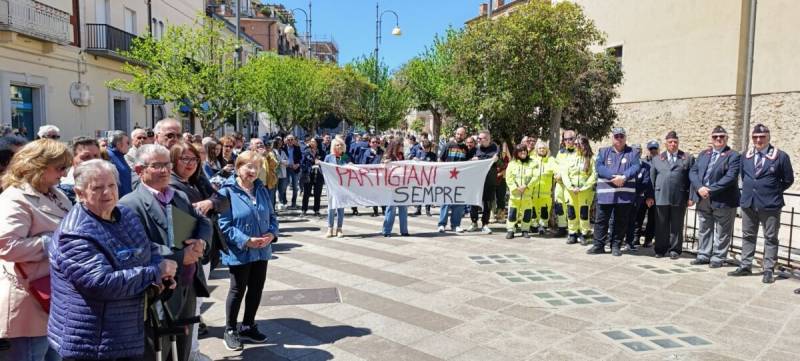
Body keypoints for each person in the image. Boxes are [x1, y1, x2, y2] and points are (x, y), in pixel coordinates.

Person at [47, 159, 177, 361]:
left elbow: (148, 248)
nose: (107, 193)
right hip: (94, 342)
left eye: (111, 185)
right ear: (80, 194)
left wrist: (163, 274)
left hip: (127, 332)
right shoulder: (74, 234)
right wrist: (155, 272)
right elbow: (101, 283)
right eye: (97, 188)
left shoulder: (124, 213)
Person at [119, 144, 210, 361]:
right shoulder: (129, 204)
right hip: (161, 289)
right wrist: (180, 256)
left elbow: (203, 221)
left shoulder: (179, 195)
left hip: (188, 284)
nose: (165, 170)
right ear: (140, 170)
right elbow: (137, 247)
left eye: (167, 164)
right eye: (157, 165)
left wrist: (201, 242)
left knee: (184, 347)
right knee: (159, 350)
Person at [0, 139, 71, 361]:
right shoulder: (15, 197)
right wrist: (52, 243)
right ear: (38, 166)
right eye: (60, 168)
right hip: (29, 302)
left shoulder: (56, 195)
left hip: (53, 300)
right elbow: (7, 245)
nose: (64, 174)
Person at [168, 142, 228, 361]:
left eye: (194, 159)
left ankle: (192, 352)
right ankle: (190, 354)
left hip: (204, 252)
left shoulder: (197, 180)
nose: (190, 164)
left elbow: (222, 201)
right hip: (187, 254)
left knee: (197, 306)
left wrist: (209, 203)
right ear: (173, 160)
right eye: (184, 159)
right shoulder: (173, 186)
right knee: (189, 309)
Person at [217, 151, 278, 351]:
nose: (252, 171)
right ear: (238, 166)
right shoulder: (227, 191)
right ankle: (230, 329)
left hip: (262, 250)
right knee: (237, 289)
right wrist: (246, 240)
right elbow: (224, 225)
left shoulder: (261, 189)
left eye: (256, 167)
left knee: (256, 288)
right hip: (239, 251)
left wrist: (271, 235)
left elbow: (272, 216)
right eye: (248, 166)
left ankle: (248, 325)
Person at [730, 124, 794, 283]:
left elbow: (788, 180)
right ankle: (745, 265)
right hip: (748, 202)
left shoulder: (780, 156)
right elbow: (745, 177)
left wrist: (771, 190)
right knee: (748, 235)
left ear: (768, 137)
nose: (758, 140)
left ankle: (768, 270)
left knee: (770, 237)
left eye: (762, 137)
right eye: (755, 137)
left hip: (770, 203)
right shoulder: (746, 155)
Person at [688, 126, 740, 268]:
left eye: (721, 136)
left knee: (723, 230)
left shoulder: (733, 155)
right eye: (715, 136)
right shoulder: (704, 154)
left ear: (726, 138)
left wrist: (710, 190)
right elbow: (693, 172)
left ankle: (718, 257)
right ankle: (704, 255)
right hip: (703, 197)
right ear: (711, 138)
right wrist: (699, 187)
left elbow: (730, 177)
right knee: (704, 227)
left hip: (723, 199)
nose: (718, 139)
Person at [587, 127, 641, 256]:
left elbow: (636, 167)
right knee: (601, 220)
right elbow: (599, 167)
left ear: (625, 138)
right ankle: (598, 245)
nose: (619, 139)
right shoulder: (603, 151)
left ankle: (615, 246)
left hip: (624, 195)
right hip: (606, 194)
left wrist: (624, 177)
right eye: (616, 136)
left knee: (621, 221)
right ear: (612, 138)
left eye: (622, 136)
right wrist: (613, 177)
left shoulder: (633, 152)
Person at [650, 131, 694, 259]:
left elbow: (691, 179)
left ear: (678, 143)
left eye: (675, 142)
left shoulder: (687, 158)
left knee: (677, 225)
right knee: (661, 224)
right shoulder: (657, 159)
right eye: (670, 142)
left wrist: (691, 197)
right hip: (661, 196)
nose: (673, 144)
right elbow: (652, 179)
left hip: (679, 197)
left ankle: (675, 250)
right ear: (666, 143)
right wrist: (651, 196)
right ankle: (660, 249)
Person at [562, 135, 597, 245]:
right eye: (576, 144)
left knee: (583, 213)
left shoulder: (591, 159)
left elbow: (594, 175)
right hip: (571, 191)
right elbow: (564, 174)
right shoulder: (569, 157)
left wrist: (583, 187)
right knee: (571, 212)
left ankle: (584, 234)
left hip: (584, 191)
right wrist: (571, 187)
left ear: (585, 145)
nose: (577, 146)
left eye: (579, 144)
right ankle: (572, 234)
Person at [438, 127, 469, 233]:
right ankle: (442, 224)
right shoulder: (448, 145)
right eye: (458, 134)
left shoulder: (465, 148)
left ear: (465, 135)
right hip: (447, 179)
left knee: (459, 202)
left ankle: (456, 225)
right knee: (446, 201)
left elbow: (468, 163)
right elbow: (440, 160)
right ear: (455, 134)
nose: (459, 136)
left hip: (460, 180)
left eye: (462, 134)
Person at [468, 130, 498, 234]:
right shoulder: (475, 149)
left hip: (489, 180)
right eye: (478, 138)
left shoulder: (495, 148)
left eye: (480, 138)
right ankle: (474, 222)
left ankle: (485, 224)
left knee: (487, 203)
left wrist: (482, 158)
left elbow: (498, 160)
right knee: (474, 202)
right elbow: (468, 161)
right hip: (476, 181)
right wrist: (473, 160)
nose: (478, 140)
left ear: (487, 139)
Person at [59, 137, 101, 204]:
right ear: (71, 159)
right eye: (86, 157)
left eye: (96, 156)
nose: (93, 161)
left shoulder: (106, 183)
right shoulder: (65, 190)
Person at [634, 140, 660, 247]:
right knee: (638, 217)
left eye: (655, 149)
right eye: (651, 149)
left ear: (658, 150)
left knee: (652, 219)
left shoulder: (661, 162)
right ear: (647, 150)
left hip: (656, 195)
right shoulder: (643, 162)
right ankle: (635, 238)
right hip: (643, 194)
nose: (653, 151)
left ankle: (648, 240)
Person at [505, 144, 534, 239]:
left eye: (525, 150)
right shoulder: (512, 164)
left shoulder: (532, 163)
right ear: (516, 153)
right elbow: (509, 178)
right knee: (512, 213)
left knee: (527, 213)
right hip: (515, 194)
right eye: (521, 151)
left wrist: (526, 186)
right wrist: (515, 187)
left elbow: (535, 177)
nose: (523, 152)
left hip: (527, 193)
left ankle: (525, 230)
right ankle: (511, 230)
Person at [382, 141, 410, 237]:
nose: (402, 147)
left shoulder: (402, 156)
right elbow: (381, 168)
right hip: (391, 186)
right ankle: (387, 231)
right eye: (401, 145)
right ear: (395, 146)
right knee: (391, 208)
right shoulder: (388, 156)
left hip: (402, 186)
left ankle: (404, 230)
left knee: (403, 208)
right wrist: (385, 164)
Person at [553, 130, 577, 238]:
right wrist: (557, 174)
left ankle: (574, 230)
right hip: (560, 184)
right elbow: (556, 165)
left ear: (575, 139)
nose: (568, 141)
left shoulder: (578, 152)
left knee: (571, 207)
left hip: (571, 185)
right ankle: (562, 227)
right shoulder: (561, 152)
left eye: (570, 139)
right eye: (565, 139)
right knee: (559, 205)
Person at [529, 140, 556, 236]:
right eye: (540, 148)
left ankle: (543, 226)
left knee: (544, 211)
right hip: (533, 191)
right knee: (533, 210)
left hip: (546, 192)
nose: (542, 150)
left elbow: (556, 170)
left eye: (544, 148)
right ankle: (533, 226)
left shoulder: (551, 160)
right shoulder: (531, 159)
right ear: (536, 149)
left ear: (547, 150)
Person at [324, 139, 350, 237]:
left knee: (341, 207)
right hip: (331, 186)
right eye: (337, 145)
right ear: (334, 146)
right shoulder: (328, 157)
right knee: (331, 207)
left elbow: (350, 170)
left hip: (342, 186)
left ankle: (339, 228)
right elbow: (323, 170)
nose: (339, 147)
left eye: (341, 145)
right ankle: (330, 228)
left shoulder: (345, 157)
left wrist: (350, 165)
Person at [359, 137, 385, 217]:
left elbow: (385, 160)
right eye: (373, 142)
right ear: (370, 143)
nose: (375, 144)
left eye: (377, 142)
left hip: (381, 176)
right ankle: (375, 211)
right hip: (371, 176)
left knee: (382, 193)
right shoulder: (367, 152)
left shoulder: (382, 152)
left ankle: (384, 210)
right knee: (373, 194)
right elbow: (363, 164)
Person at [300, 138, 324, 216]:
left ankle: (316, 210)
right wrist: (308, 168)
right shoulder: (306, 151)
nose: (312, 142)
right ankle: (304, 209)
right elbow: (302, 163)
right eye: (311, 141)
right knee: (306, 193)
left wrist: (319, 164)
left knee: (317, 193)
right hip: (309, 174)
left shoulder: (321, 152)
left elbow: (324, 162)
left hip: (319, 175)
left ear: (317, 143)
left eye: (314, 141)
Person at [106, 130, 133, 197]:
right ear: (119, 144)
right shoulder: (108, 156)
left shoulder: (120, 155)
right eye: (127, 143)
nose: (129, 146)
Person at [283, 135, 302, 209]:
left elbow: (301, 158)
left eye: (291, 139)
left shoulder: (297, 148)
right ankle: (284, 202)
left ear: (294, 140)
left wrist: (298, 164)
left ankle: (293, 203)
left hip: (295, 169)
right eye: (288, 139)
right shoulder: (283, 148)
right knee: (284, 186)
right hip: (286, 168)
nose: (290, 141)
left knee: (295, 187)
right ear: (286, 140)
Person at [494, 142, 511, 224]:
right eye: (503, 148)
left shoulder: (507, 158)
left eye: (506, 148)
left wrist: (500, 174)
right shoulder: (495, 156)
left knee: (501, 198)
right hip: (492, 179)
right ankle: (491, 215)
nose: (504, 150)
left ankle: (501, 215)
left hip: (502, 180)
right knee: (491, 198)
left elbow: (508, 167)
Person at [272, 137, 289, 210]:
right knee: (274, 190)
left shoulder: (283, 151)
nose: (280, 143)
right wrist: (282, 162)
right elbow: (274, 161)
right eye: (279, 142)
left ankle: (280, 203)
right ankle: (273, 205)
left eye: (281, 142)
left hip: (283, 173)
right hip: (275, 174)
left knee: (282, 189)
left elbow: (287, 161)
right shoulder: (272, 151)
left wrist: (283, 162)